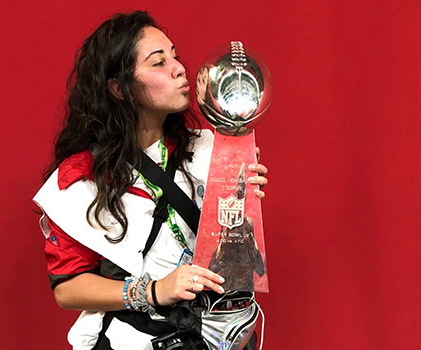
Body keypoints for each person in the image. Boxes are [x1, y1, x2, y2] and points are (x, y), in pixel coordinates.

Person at [33, 11, 269, 350]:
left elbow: (231, 258)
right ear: (119, 87)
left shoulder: (211, 150)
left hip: (217, 339)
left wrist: (242, 205)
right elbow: (67, 289)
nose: (178, 68)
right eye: (158, 62)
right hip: (133, 340)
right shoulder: (81, 177)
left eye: (174, 55)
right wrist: (153, 291)